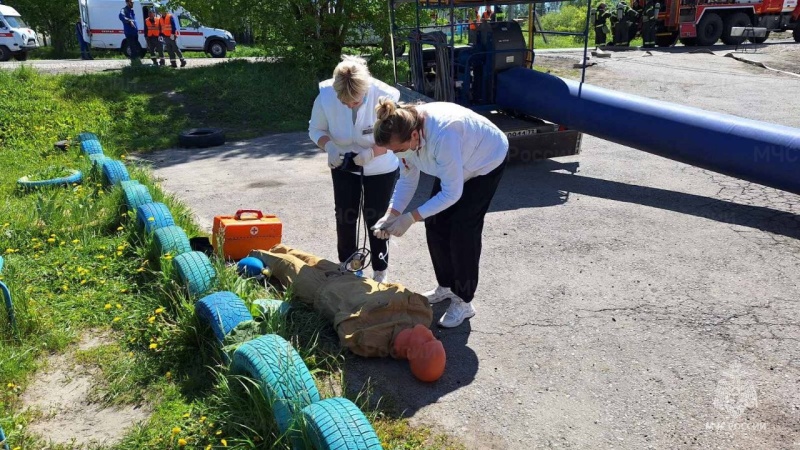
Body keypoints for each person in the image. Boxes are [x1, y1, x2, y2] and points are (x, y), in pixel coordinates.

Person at [371, 99, 508, 328]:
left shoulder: (444, 134)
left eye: (398, 150)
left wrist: (410, 218)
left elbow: (452, 193)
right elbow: (407, 179)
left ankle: (464, 302)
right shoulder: (402, 135)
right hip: (458, 160)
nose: (396, 154)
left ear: (414, 136)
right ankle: (445, 286)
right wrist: (391, 214)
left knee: (463, 230)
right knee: (434, 223)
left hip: (486, 159)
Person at [308, 55, 400, 283]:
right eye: (344, 102)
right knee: (345, 215)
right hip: (343, 164)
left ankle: (380, 270)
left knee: (377, 218)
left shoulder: (384, 94)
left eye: (355, 102)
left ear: (366, 91)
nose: (350, 105)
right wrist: (329, 147)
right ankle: (348, 264)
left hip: (380, 167)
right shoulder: (326, 94)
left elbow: (396, 137)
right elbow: (315, 129)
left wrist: (370, 153)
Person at [118, 0, 141, 65]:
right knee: (133, 47)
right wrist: (129, 21)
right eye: (131, 2)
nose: (132, 3)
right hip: (129, 33)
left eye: (133, 2)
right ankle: (134, 63)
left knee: (136, 47)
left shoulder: (131, 10)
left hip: (135, 32)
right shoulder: (124, 10)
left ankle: (137, 62)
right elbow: (121, 16)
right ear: (127, 2)